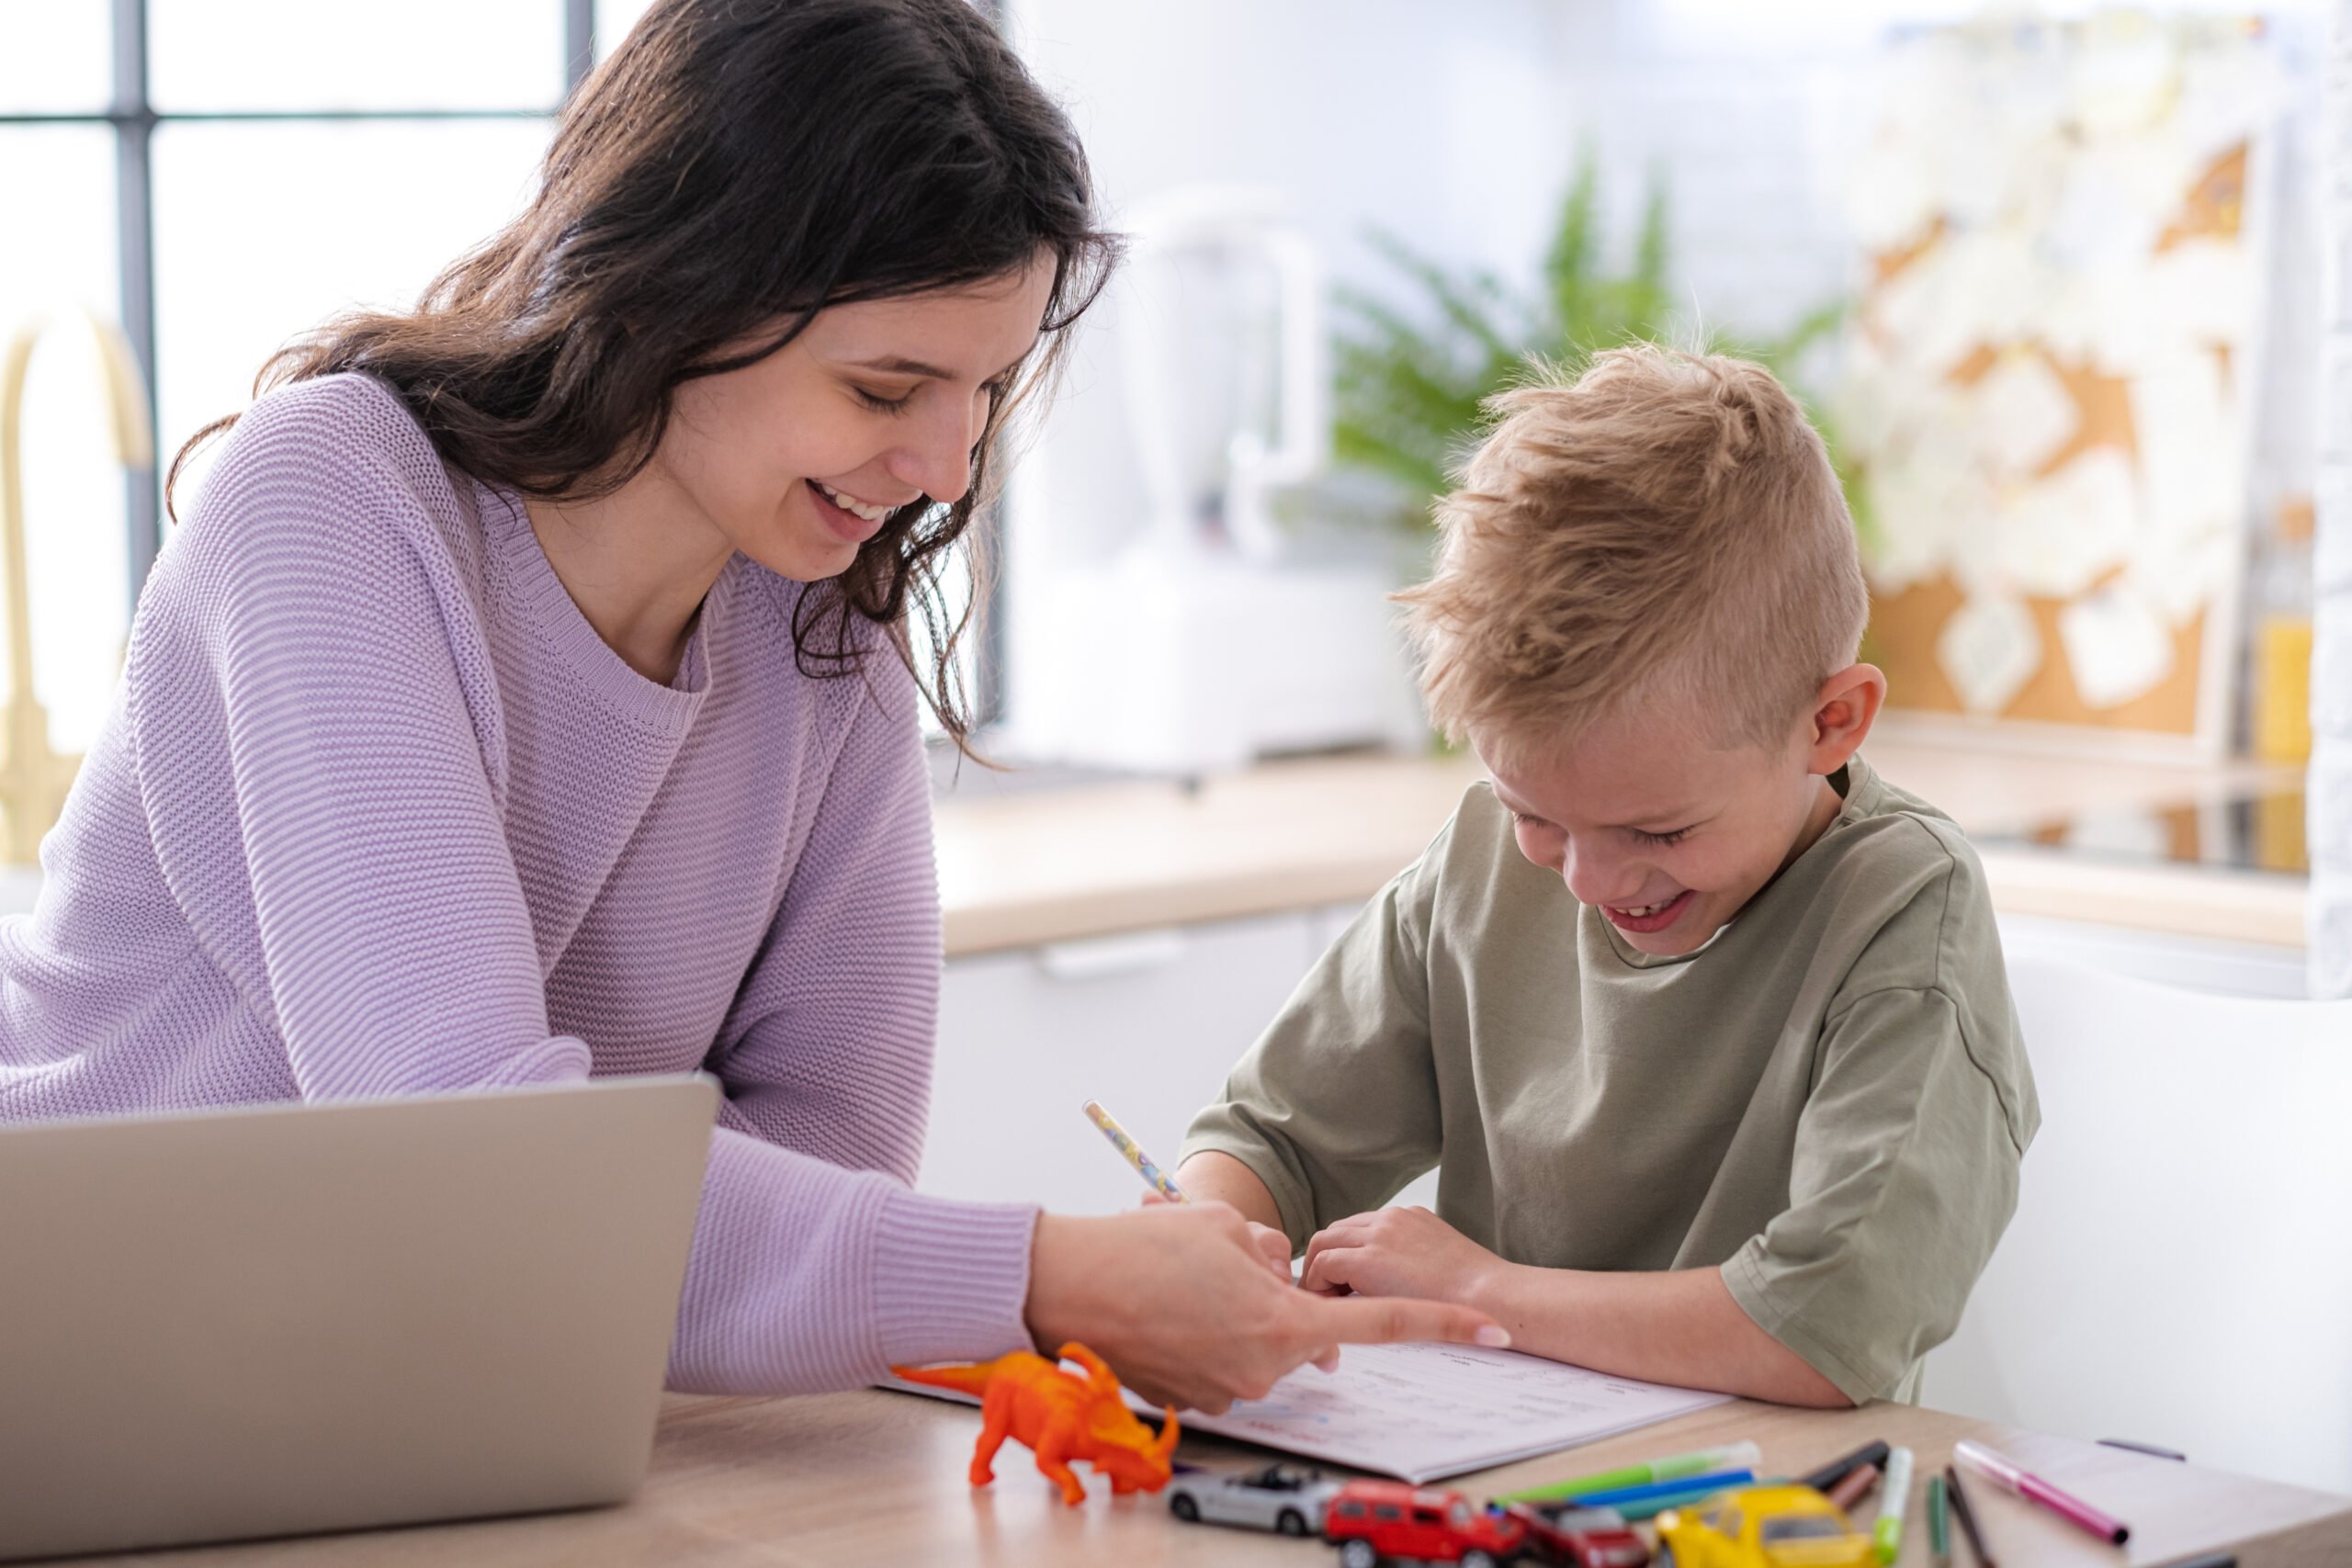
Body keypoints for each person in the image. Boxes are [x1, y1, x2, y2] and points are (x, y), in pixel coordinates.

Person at [0, 0, 1501, 1414]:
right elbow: (468, 1154)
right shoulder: (335, 505)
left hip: (457, 1400)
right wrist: (1049, 1273)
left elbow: (832, 1143)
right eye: (884, 387)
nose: (947, 469)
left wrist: (834, 1269)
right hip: (104, 1381)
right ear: (675, 293)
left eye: (983, 389)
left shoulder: (815, 611)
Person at [1176, 346, 2040, 1407]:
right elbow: (1270, 1139)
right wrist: (1205, 1250)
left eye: (1660, 831)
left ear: (1828, 724)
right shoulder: (1485, 860)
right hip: (1488, 1480)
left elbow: (1823, 1327)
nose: (1586, 879)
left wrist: (1485, 1290)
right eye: (1535, 812)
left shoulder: (1902, 916)